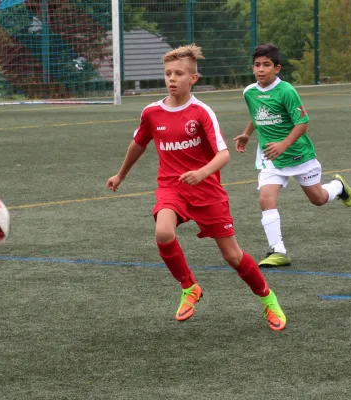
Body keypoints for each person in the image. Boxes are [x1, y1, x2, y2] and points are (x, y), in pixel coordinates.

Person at [107, 44, 286, 331]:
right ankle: (189, 286)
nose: (172, 79)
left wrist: (201, 172)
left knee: (233, 256)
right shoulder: (152, 112)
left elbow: (223, 154)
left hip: (207, 191)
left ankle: (268, 299)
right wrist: (121, 174)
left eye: (179, 73)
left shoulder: (201, 112)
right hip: (172, 187)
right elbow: (138, 143)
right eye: (167, 74)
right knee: (164, 232)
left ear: (193, 78)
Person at [234, 44, 351, 268]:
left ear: (277, 68)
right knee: (265, 198)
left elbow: (303, 122)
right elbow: (257, 114)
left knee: (318, 199)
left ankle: (338, 187)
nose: (261, 70)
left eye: (266, 65)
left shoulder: (287, 91)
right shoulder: (249, 92)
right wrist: (246, 134)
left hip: (299, 155)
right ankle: (278, 251)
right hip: (270, 157)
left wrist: (284, 144)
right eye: (257, 65)